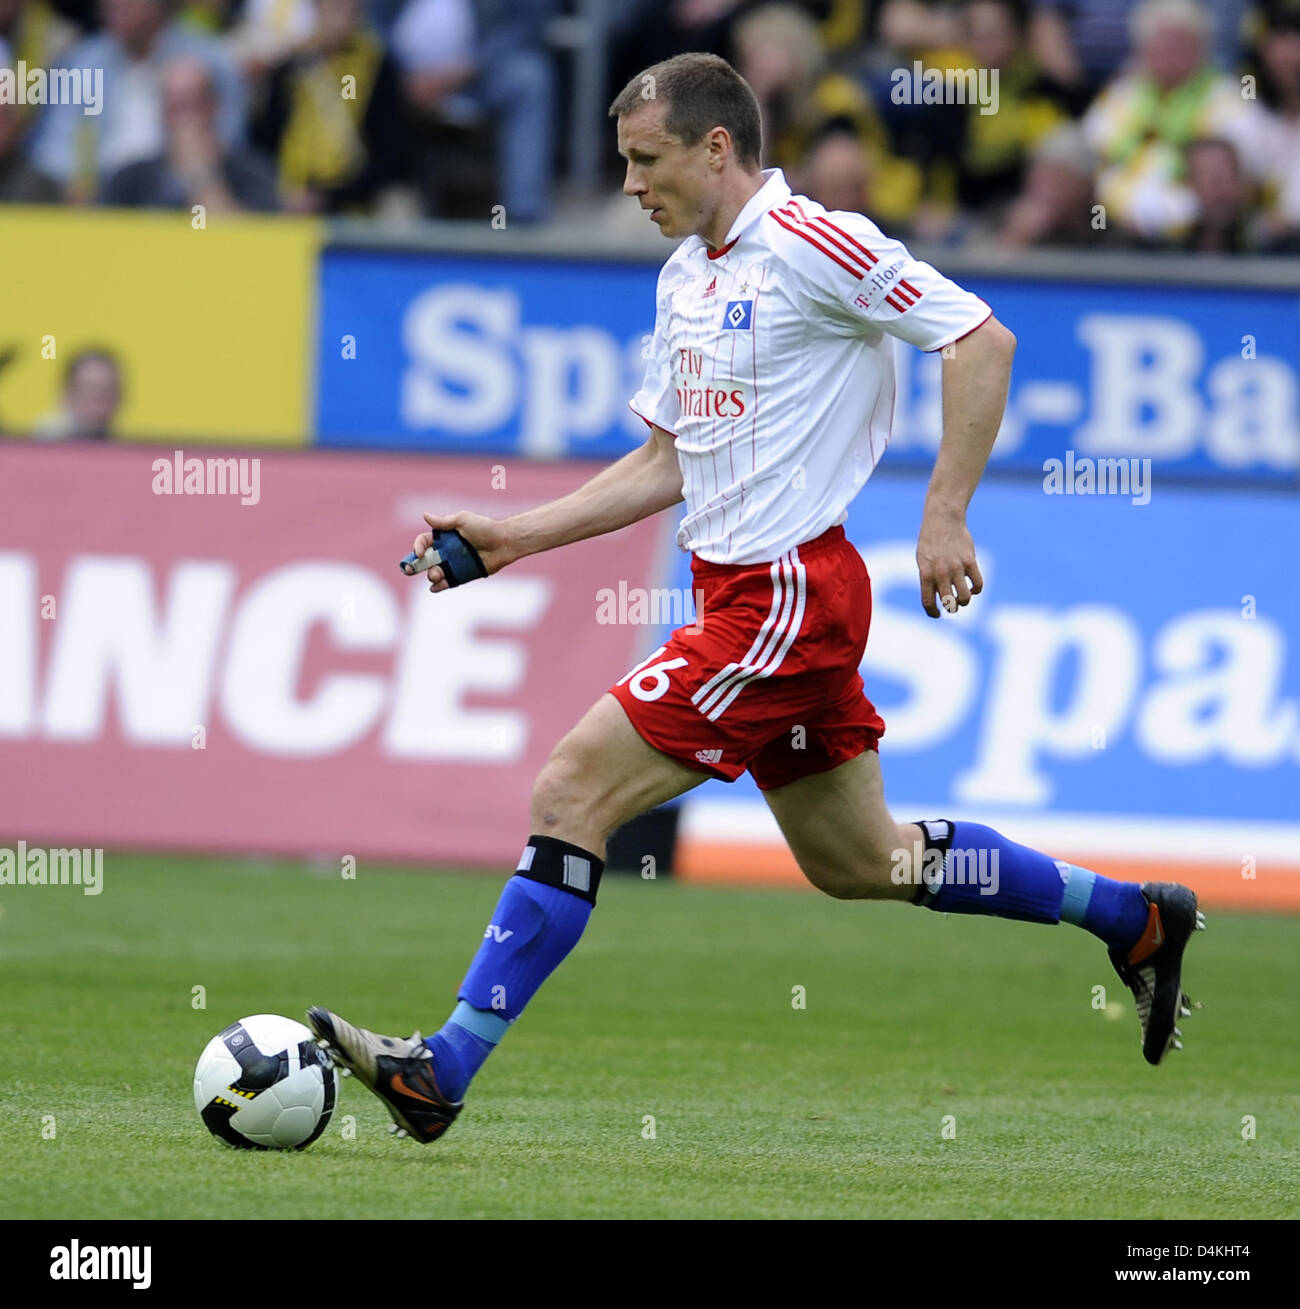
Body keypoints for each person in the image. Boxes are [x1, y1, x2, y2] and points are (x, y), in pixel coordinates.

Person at [307, 52, 1205, 1144]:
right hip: (745, 592)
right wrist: (513, 540)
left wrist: (943, 514)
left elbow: (979, 337)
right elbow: (665, 460)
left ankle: (444, 1065)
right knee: (860, 861)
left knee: (569, 790)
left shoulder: (813, 244)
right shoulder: (686, 273)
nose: (631, 185)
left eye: (646, 161)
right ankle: (1134, 917)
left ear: (716, 147)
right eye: (624, 164)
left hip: (786, 592)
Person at [102, 56, 278, 210]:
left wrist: (200, 173)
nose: (184, 119)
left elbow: (236, 240)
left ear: (214, 107)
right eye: (175, 107)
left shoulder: (253, 174)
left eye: (192, 105)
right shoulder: (129, 180)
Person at [33, 349, 122, 440]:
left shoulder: (121, 443)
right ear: (68, 391)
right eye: (90, 388)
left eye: (107, 390)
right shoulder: (43, 442)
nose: (99, 398)